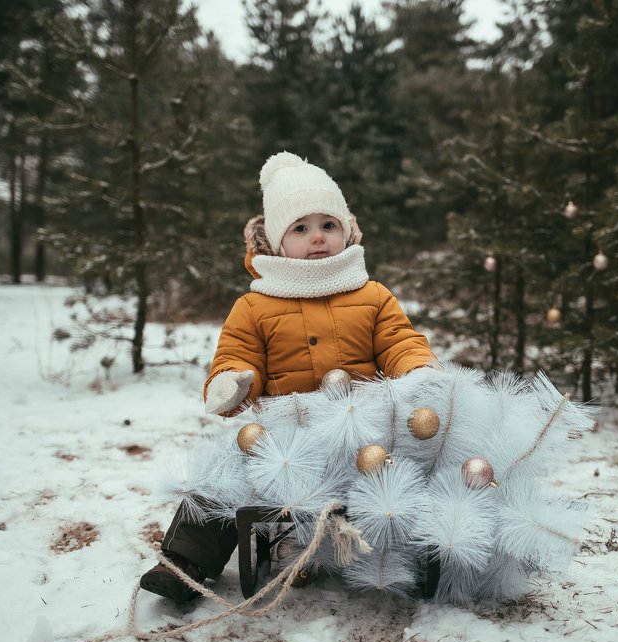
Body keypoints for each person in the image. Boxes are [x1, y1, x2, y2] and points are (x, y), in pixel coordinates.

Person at [140, 151, 436, 602]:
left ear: (347, 231)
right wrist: (233, 382)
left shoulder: (372, 294)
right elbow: (237, 355)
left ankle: (437, 552)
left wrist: (417, 367)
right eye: (300, 228)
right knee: (227, 473)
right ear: (275, 242)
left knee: (422, 459)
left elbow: (397, 340)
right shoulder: (255, 306)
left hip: (363, 430)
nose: (317, 236)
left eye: (328, 225)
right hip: (287, 436)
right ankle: (185, 561)